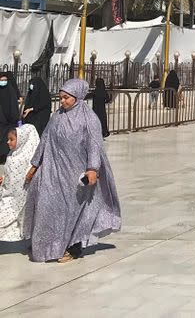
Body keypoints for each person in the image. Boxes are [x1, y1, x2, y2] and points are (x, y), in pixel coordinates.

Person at [24, 79, 122, 263]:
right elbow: (45, 140)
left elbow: (94, 145)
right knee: (48, 206)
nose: (62, 101)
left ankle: (73, 248)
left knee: (73, 212)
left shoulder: (89, 119)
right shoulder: (57, 117)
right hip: (53, 172)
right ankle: (45, 245)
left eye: (66, 98)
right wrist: (35, 164)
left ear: (77, 96)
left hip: (75, 174)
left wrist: (92, 168)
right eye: (61, 98)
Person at [0, 125, 40, 241]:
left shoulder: (27, 158)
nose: (8, 142)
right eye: (8, 139)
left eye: (11, 139)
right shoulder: (12, 155)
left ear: (22, 139)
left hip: (18, 198)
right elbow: (9, 172)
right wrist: (3, 178)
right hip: (7, 194)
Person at [0, 73, 21, 164]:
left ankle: (5, 157)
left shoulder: (11, 91)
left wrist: (13, 118)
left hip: (9, 122)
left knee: (6, 140)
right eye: (1, 80)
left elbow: (13, 106)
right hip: (1, 121)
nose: (3, 82)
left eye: (5, 80)